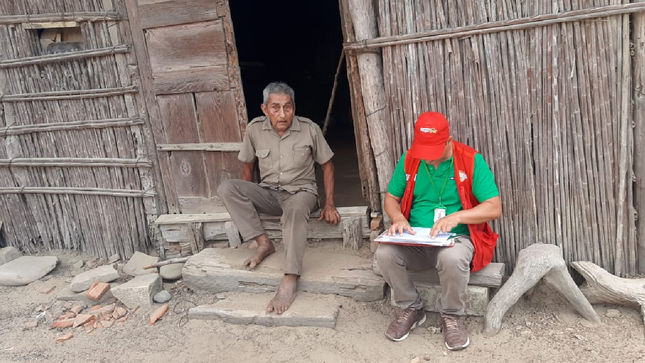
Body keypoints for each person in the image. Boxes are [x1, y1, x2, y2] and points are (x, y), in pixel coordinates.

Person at [375, 111, 502, 350]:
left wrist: (458, 217)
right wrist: (399, 218)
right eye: (424, 153)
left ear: (449, 141)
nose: (429, 160)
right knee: (384, 253)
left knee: (452, 257)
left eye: (433, 154)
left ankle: (452, 316)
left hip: (457, 238)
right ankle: (411, 308)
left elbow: (494, 207)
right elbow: (391, 198)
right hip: (416, 239)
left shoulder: (470, 159)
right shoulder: (410, 158)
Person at [218, 82, 340, 314]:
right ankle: (264, 243)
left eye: (287, 107)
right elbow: (247, 166)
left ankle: (290, 277)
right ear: (265, 109)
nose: (282, 114)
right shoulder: (254, 129)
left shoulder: (309, 128)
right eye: (275, 108)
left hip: (301, 193)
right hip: (269, 192)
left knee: (294, 210)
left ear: (294, 107)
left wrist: (329, 203)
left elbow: (328, 166)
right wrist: (251, 198)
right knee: (228, 188)